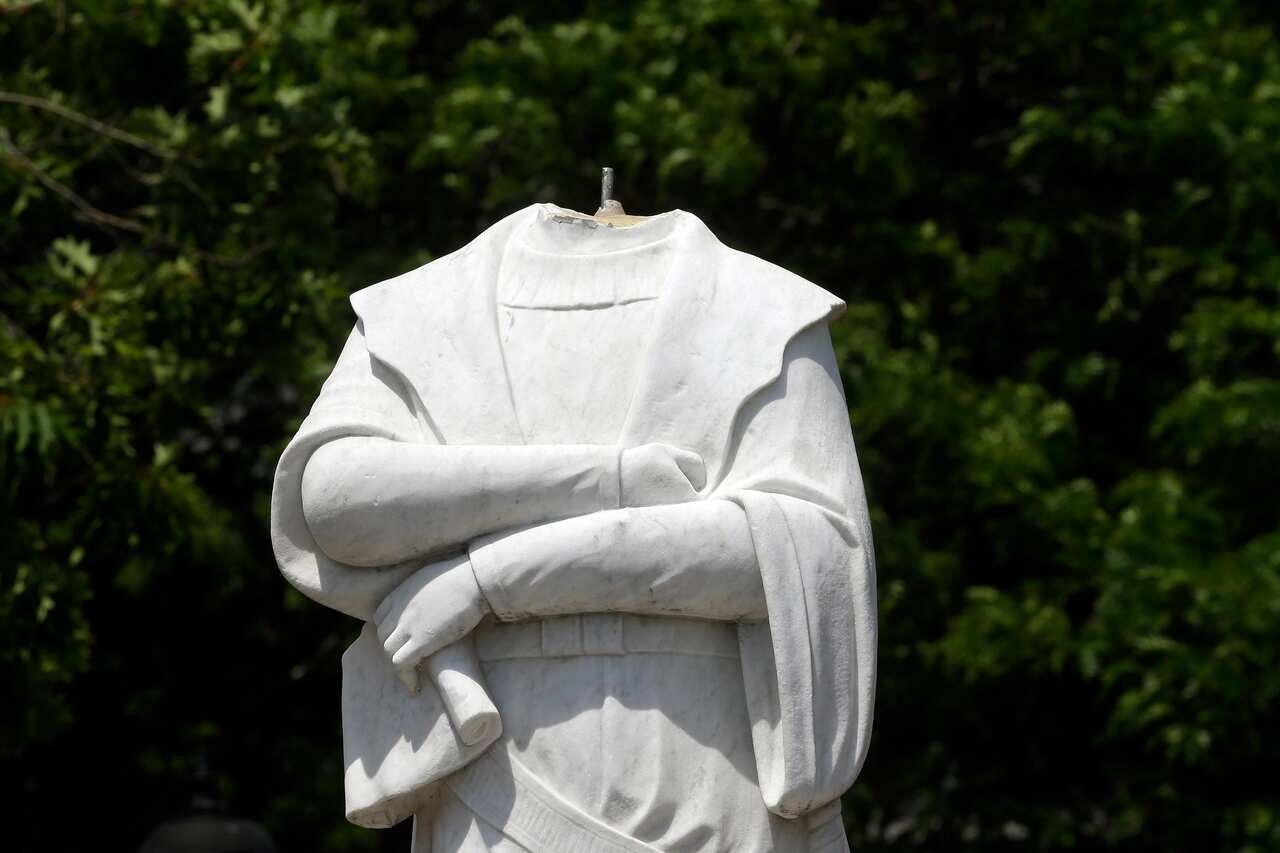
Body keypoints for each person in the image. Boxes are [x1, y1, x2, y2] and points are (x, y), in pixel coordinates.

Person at [271, 203, 877, 852]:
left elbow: (802, 556)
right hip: (500, 792)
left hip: (708, 791)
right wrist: (607, 479)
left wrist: (484, 580)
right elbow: (332, 503)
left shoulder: (764, 310)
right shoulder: (425, 309)